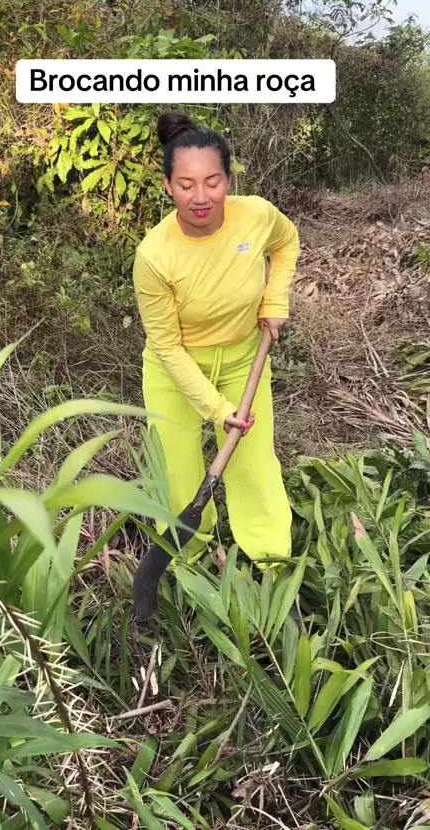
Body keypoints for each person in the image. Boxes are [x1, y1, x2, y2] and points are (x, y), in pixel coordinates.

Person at [132, 110, 300, 567]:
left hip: (244, 359)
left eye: (213, 182)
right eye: (186, 185)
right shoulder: (154, 256)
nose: (201, 197)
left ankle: (271, 561)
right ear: (168, 186)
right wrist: (217, 410)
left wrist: (275, 299)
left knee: (253, 463)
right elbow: (167, 347)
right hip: (174, 371)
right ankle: (189, 554)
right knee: (179, 471)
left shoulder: (256, 215)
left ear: (229, 180)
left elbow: (286, 242)